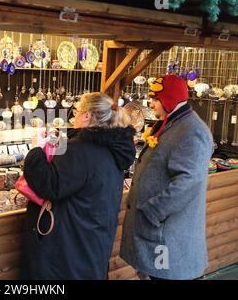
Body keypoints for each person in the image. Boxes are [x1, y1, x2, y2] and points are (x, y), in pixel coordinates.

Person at [20, 92, 136, 279]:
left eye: (77, 112)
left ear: (87, 116)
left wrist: (36, 150)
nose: (74, 117)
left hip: (68, 246)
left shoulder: (80, 149)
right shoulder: (114, 148)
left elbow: (49, 185)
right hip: (93, 241)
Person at [120, 74, 214, 280]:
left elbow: (187, 182)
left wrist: (153, 211)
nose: (150, 104)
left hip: (167, 236)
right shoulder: (170, 122)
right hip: (156, 233)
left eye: (155, 99)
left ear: (169, 99)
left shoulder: (192, 131)